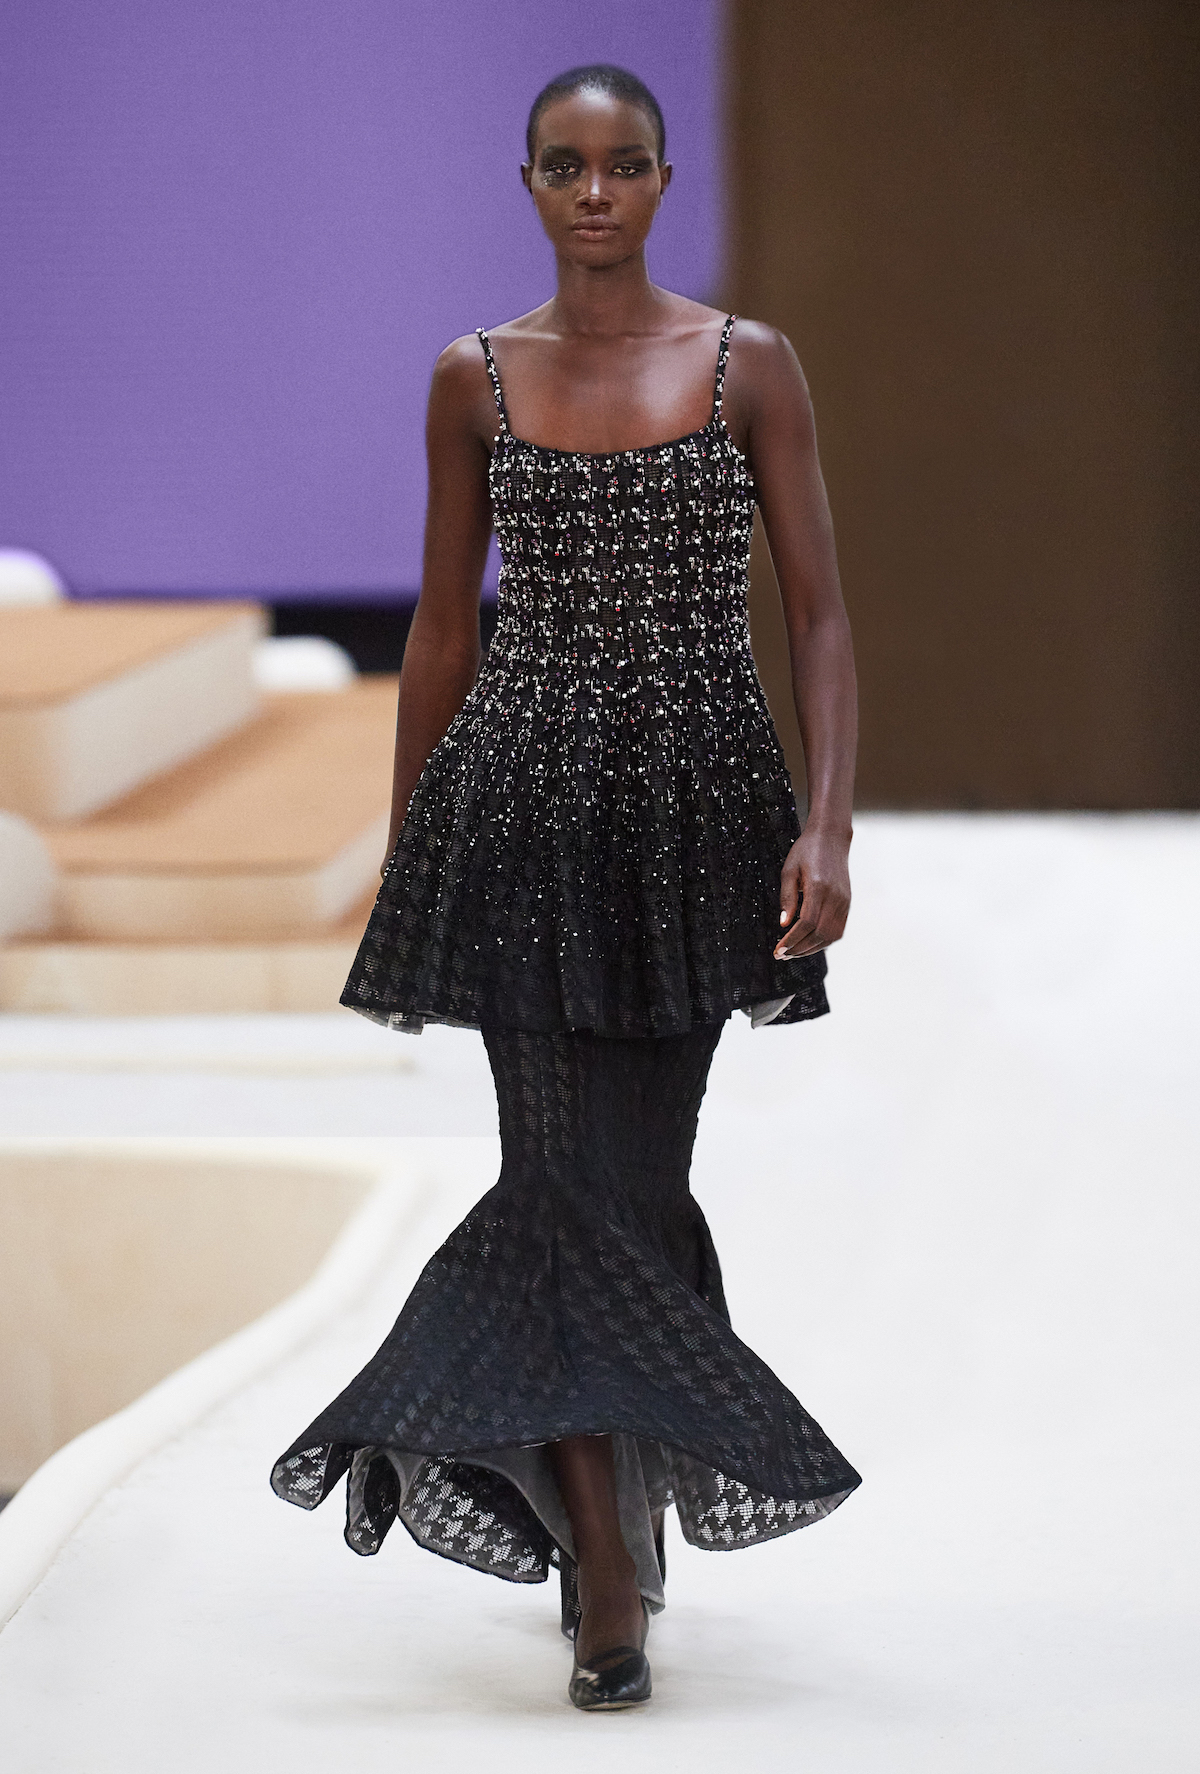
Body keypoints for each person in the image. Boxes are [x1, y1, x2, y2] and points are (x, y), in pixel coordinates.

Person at [272, 63, 861, 1713]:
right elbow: (441, 626)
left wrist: (827, 828)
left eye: (623, 164)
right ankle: (606, 1567)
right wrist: (415, 843)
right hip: (520, 808)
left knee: (638, 1185)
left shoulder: (749, 365)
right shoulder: (474, 377)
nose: (595, 191)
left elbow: (819, 613)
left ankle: (582, 1478)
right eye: (563, 165)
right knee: (553, 1177)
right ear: (527, 183)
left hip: (699, 817)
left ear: (665, 180)